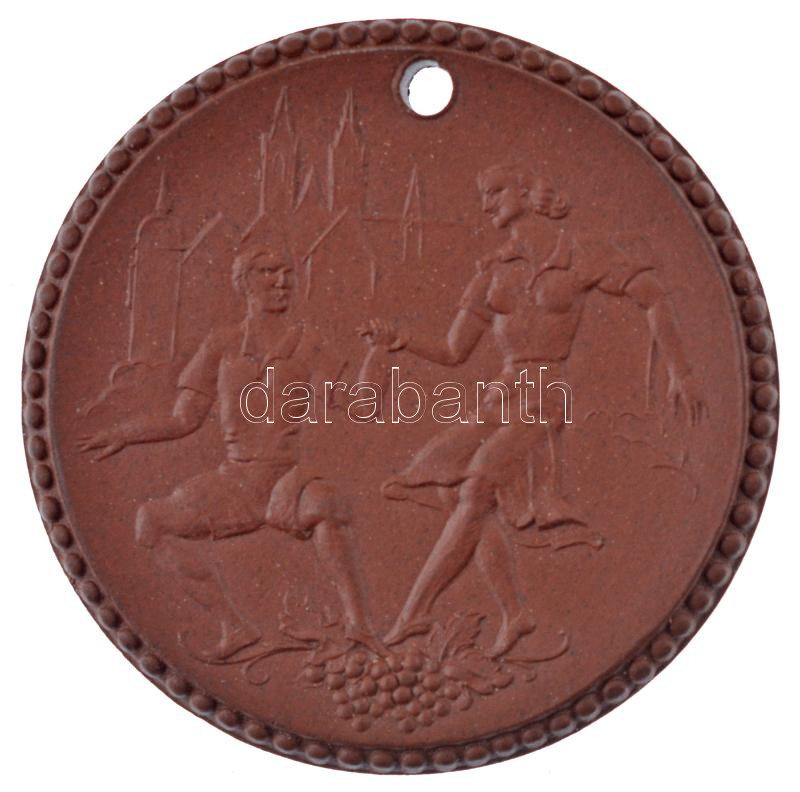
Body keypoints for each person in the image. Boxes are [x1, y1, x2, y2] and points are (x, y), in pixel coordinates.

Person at [361, 162, 706, 658]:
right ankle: (515, 612)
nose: (486, 204)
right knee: (448, 489)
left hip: (545, 394)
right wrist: (399, 338)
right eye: (484, 195)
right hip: (500, 395)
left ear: (526, 192)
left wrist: (681, 372)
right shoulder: (493, 270)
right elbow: (454, 350)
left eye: (495, 192)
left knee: (477, 486)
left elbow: (651, 296)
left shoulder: (579, 253)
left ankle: (412, 614)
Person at [79, 245, 377, 660]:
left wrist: (380, 354)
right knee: (151, 521)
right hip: (235, 481)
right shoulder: (222, 346)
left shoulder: (310, 345)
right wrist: (125, 433)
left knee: (324, 504)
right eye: (268, 272)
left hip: (285, 479)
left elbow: (355, 405)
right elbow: (184, 419)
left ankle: (359, 627)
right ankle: (234, 628)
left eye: (287, 272)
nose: (281, 281)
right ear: (244, 283)